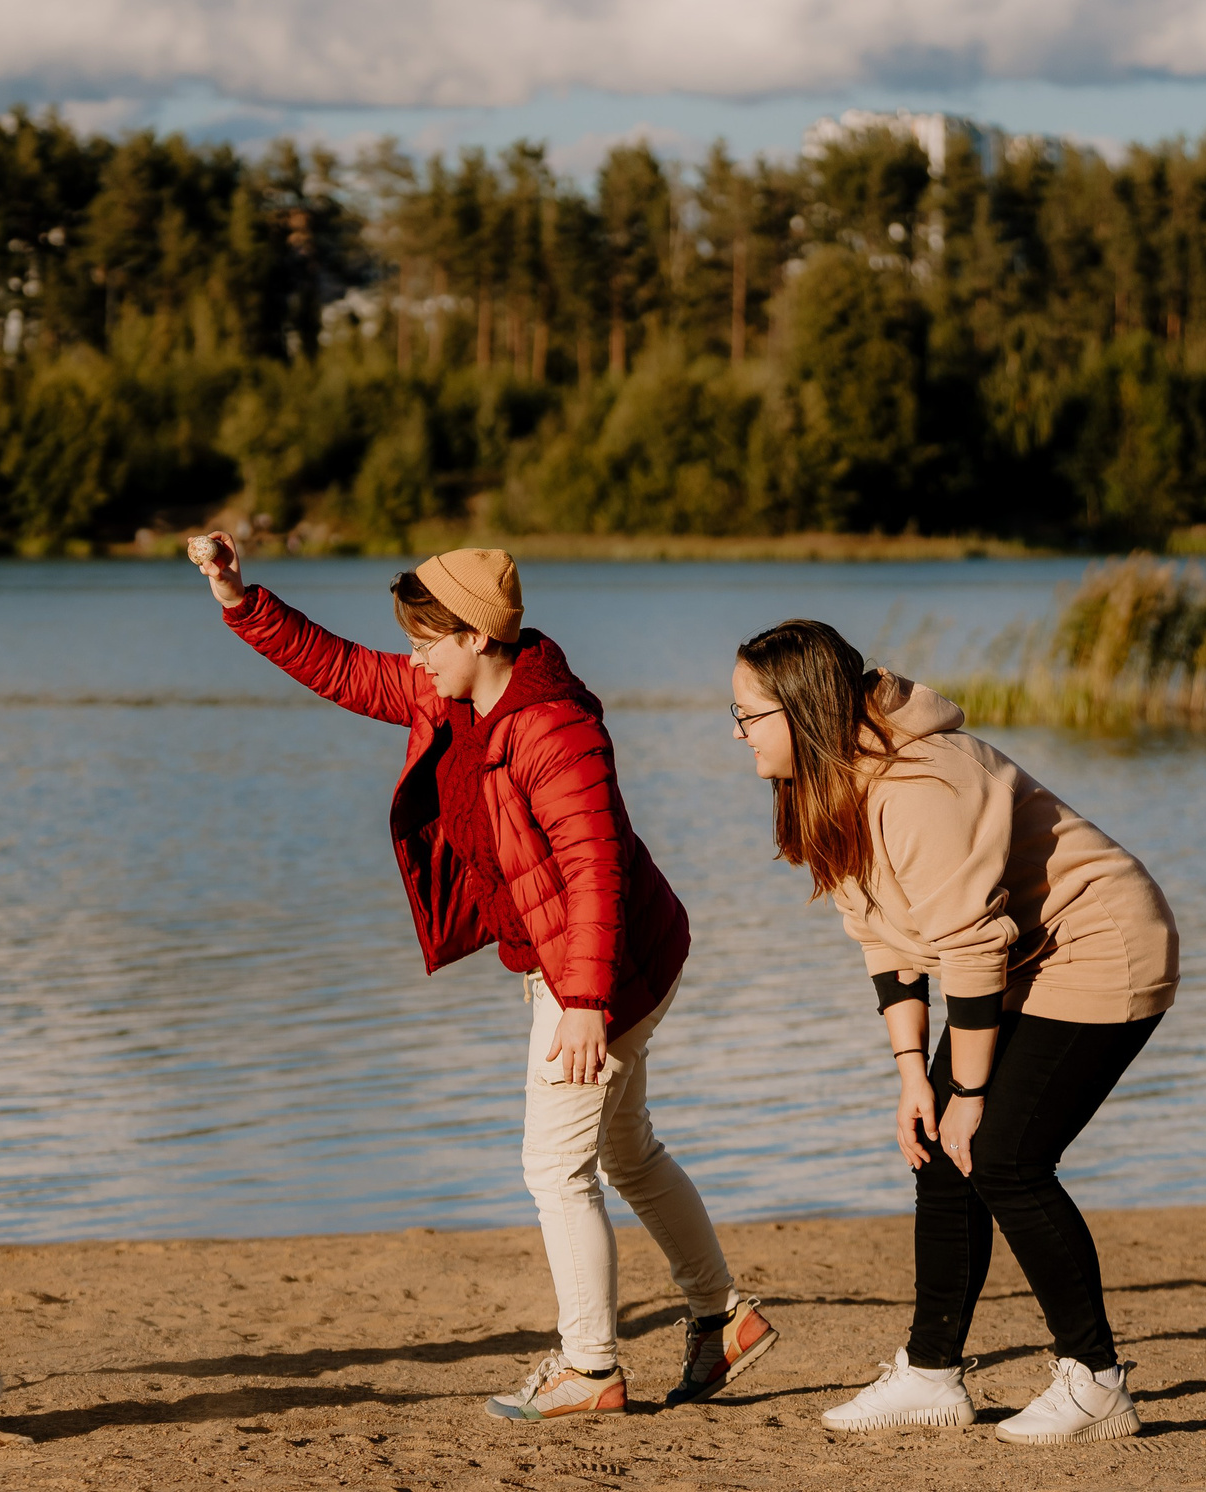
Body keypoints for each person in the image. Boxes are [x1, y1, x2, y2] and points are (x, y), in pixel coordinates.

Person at [196, 534, 775, 1420]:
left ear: (476, 636)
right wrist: (239, 597)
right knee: (626, 1150)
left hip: (608, 965)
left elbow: (596, 871)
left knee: (554, 1167)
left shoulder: (555, 727)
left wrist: (584, 1003)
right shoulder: (451, 699)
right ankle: (722, 1318)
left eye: (426, 637)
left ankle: (590, 1369)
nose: (414, 655)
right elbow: (342, 669)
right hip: (588, 960)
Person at [727, 619, 1177, 1446]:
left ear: (801, 710)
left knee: (1004, 1156)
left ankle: (1097, 1382)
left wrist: (968, 1091)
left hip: (1100, 944)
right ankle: (932, 1375)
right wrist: (914, 1078)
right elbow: (886, 936)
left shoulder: (919, 784)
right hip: (1014, 958)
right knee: (940, 1146)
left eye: (749, 715)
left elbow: (970, 945)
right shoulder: (833, 780)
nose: (738, 733)